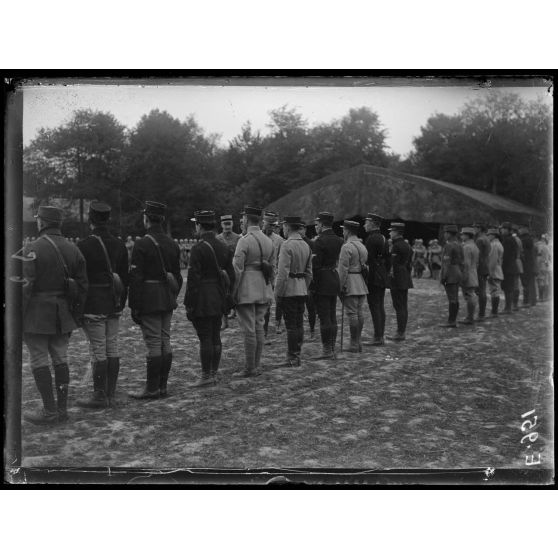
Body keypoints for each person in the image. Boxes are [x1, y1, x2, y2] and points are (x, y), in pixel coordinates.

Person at [22, 205, 88, 424]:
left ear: (41, 222)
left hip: (37, 315)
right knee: (61, 358)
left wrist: (17, 316)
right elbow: (82, 286)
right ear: (58, 224)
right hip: (63, 314)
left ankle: (50, 412)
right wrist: (74, 315)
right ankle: (61, 410)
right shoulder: (73, 249)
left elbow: (26, 287)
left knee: (39, 359)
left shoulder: (32, 248)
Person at [76, 201, 129, 409]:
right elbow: (125, 279)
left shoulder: (83, 245)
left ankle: (99, 396)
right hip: (114, 302)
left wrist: (79, 308)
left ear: (90, 219)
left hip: (93, 303)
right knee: (112, 346)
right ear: (108, 220)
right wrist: (120, 304)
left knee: (97, 348)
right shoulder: (119, 244)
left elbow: (81, 281)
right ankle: (110, 392)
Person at [128, 201, 183, 399]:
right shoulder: (172, 244)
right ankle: (162, 387)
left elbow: (135, 278)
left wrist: (134, 305)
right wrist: (172, 296)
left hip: (149, 298)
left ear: (146, 219)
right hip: (167, 298)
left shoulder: (141, 244)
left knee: (153, 343)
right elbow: (178, 277)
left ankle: (152, 389)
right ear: (162, 219)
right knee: (165, 340)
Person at [184, 210, 235, 387]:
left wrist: (189, 304)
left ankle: (206, 376)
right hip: (219, 295)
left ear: (199, 225)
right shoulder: (224, 247)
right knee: (215, 336)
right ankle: (213, 372)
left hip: (203, 297)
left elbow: (193, 281)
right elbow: (231, 276)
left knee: (205, 337)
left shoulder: (198, 249)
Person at [232, 206, 274, 376]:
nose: (241, 221)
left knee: (248, 328)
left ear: (247, 220)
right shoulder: (269, 240)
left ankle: (250, 368)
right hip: (263, 287)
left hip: (247, 288)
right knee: (259, 326)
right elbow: (273, 268)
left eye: (242, 219)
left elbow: (237, 269)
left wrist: (233, 292)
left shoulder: (244, 240)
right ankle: (256, 365)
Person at [274, 216, 313, 365]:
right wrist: (304, 285)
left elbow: (282, 273)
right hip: (302, 288)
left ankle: (292, 357)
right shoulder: (306, 245)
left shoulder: (286, 245)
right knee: (299, 324)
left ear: (288, 228)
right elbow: (309, 273)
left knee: (291, 325)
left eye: (284, 227)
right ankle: (297, 354)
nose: (283, 229)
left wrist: (278, 293)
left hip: (289, 289)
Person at [311, 211, 343, 359]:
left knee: (324, 317)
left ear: (322, 225)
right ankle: (331, 347)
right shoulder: (339, 240)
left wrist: (312, 286)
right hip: (334, 278)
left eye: (317, 224)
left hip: (322, 281)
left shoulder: (319, 241)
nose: (315, 227)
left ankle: (326, 350)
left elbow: (315, 266)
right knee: (332, 316)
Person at [337, 220, 368, 352]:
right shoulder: (362, 246)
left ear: (348, 231)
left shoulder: (346, 247)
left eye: (344, 230)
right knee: (359, 312)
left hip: (350, 281)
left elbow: (343, 269)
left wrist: (340, 285)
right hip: (360, 281)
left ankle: (354, 344)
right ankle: (358, 342)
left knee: (352, 314)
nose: (343, 232)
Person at [364, 213, 390, 346]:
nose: (364, 225)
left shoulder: (371, 239)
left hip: (374, 276)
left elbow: (367, 259)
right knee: (380, 306)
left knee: (375, 306)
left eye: (366, 223)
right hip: (382, 274)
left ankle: (378, 337)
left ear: (373, 224)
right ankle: (380, 335)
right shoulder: (383, 237)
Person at [387, 222, 413, 340]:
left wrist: (390, 278)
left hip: (397, 278)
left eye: (391, 231)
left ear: (397, 232)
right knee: (403, 306)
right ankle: (401, 331)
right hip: (405, 277)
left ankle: (400, 333)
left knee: (399, 306)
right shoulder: (406, 245)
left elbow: (393, 264)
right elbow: (408, 264)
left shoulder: (396, 246)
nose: (390, 233)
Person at [262, 211, 285, 338]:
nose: (270, 227)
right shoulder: (256, 236)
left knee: (267, 305)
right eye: (268, 224)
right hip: (256, 276)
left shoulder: (280, 240)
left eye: (273, 225)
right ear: (263, 223)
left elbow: (282, 261)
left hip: (271, 277)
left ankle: (265, 332)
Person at [216, 214, 241, 330]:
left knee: (235, 291)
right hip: (222, 270)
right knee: (223, 294)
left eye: (229, 224)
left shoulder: (238, 238)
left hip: (234, 268)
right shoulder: (218, 238)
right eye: (225, 224)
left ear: (232, 224)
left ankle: (236, 312)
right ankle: (224, 320)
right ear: (221, 225)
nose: (227, 227)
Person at [439, 224, 464, 328]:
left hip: (450, 273)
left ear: (449, 234)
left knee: (452, 298)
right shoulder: (459, 244)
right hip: (457, 271)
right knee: (455, 298)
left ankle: (451, 321)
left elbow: (446, 263)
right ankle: (453, 320)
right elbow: (462, 261)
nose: (444, 235)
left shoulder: (449, 245)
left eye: (445, 233)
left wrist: (443, 277)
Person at [300, 223, 317, 341]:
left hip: (309, 279)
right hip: (297, 278)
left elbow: (314, 263)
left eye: (301, 228)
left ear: (305, 230)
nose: (299, 231)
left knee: (311, 307)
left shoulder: (311, 244)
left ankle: (312, 330)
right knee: (299, 307)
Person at [459, 227, 480, 325]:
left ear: (467, 235)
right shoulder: (474, 246)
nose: (461, 236)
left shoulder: (466, 247)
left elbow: (466, 264)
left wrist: (463, 277)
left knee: (469, 295)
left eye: (463, 234)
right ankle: (470, 316)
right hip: (473, 272)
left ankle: (470, 317)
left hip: (468, 272)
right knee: (471, 294)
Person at [500, 222, 520, 314]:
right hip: (512, 266)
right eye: (502, 228)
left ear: (508, 230)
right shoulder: (512, 239)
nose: (502, 230)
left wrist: (502, 267)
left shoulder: (507, 240)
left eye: (504, 229)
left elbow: (506, 256)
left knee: (507, 288)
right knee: (509, 288)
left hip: (508, 267)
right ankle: (509, 307)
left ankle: (508, 308)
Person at [473, 223, 491, 321]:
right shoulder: (487, 238)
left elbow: (477, 256)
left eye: (474, 227)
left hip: (480, 267)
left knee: (481, 291)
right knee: (482, 290)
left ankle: (481, 314)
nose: (473, 229)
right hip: (485, 266)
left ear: (479, 228)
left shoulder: (480, 240)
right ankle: (482, 313)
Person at [486, 227, 504, 318]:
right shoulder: (499, 244)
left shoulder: (493, 245)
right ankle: (494, 311)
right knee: (495, 290)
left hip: (494, 270)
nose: (487, 236)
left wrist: (490, 273)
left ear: (493, 235)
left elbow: (492, 261)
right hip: (498, 269)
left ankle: (494, 312)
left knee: (494, 291)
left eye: (488, 234)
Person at [518, 223, 537, 307]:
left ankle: (527, 301)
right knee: (530, 283)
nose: (519, 230)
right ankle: (531, 301)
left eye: (521, 228)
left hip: (526, 264)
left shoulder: (524, 239)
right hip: (530, 264)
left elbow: (524, 253)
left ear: (525, 229)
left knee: (526, 283)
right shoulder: (529, 239)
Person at [511, 225, 524, 311]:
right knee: (516, 284)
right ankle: (515, 304)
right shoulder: (518, 239)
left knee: (514, 284)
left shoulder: (513, 239)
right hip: (518, 262)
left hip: (514, 262)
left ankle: (514, 304)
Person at [535, 234, 551, 301]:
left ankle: (541, 297)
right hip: (547, 265)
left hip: (540, 265)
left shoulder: (539, 246)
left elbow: (538, 256)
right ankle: (546, 297)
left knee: (540, 280)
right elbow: (550, 257)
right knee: (546, 281)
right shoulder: (547, 247)